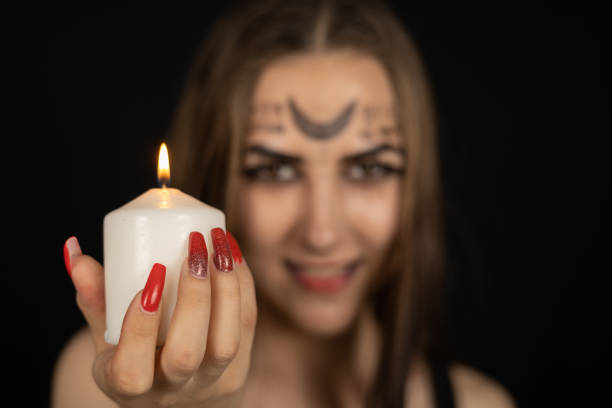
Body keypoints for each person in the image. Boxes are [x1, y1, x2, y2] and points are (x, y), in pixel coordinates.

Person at [52, 1, 517, 407]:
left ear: (416, 181)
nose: (323, 232)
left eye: (369, 168)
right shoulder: (107, 383)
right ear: (218, 176)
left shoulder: (481, 404)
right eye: (275, 171)